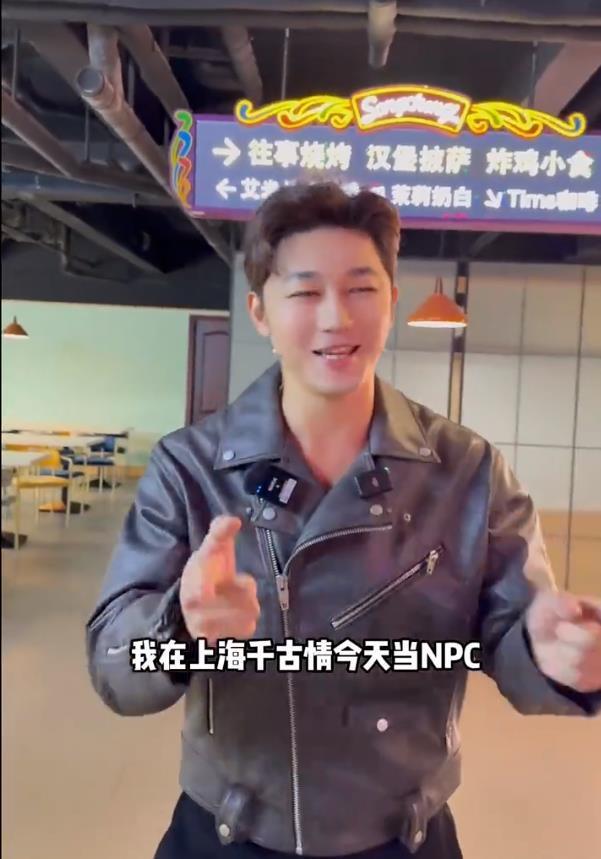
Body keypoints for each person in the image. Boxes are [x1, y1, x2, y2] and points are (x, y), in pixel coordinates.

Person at [86, 183, 601, 859]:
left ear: (391, 301)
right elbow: (113, 664)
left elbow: (511, 633)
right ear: (260, 312)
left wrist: (552, 652)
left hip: (404, 836)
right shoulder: (191, 468)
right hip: (228, 833)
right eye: (304, 292)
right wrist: (180, 627)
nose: (336, 317)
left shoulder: (467, 471)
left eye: (361, 289)